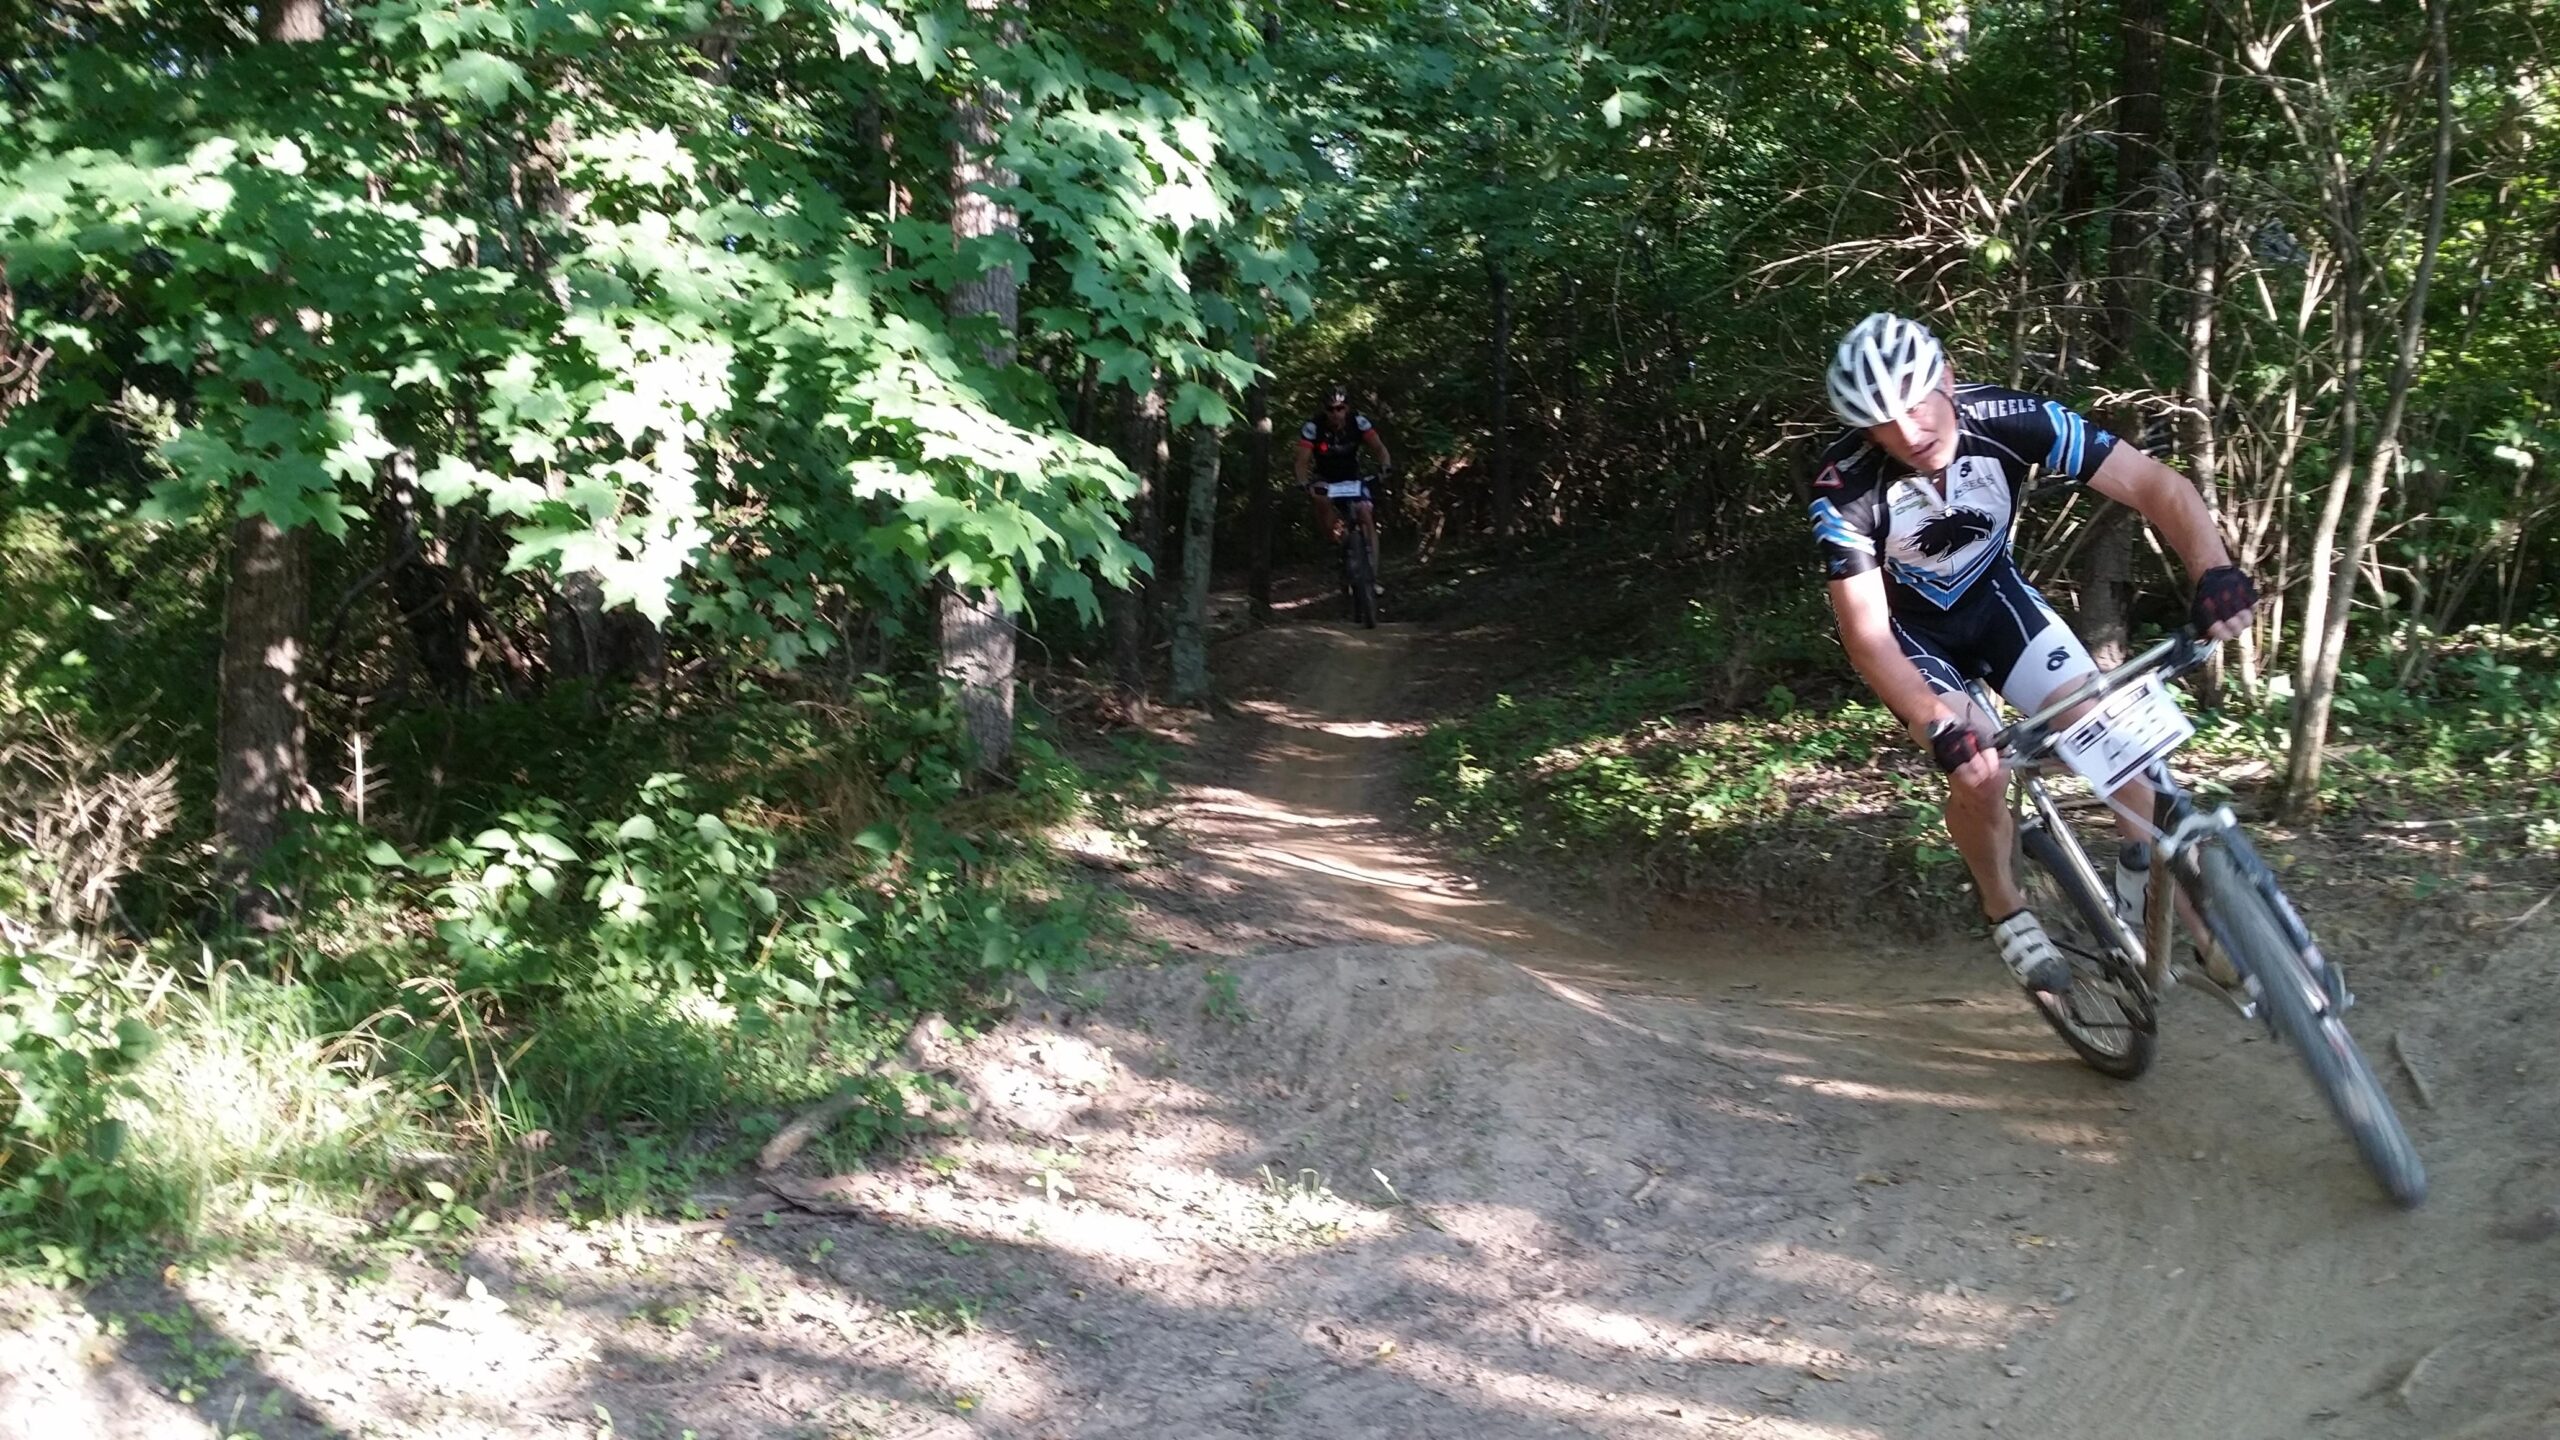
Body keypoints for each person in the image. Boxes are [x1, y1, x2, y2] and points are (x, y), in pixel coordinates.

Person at [1811, 312, 2257, 994]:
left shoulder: (2015, 418)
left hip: (1997, 604)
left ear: (1948, 378)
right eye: (1881, 422)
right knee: (1981, 771)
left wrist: (2214, 571)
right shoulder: (1845, 487)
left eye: (1915, 403)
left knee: (2104, 727)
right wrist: (1937, 725)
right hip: (1913, 639)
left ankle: (2188, 917)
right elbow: (1867, 636)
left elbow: (2156, 487)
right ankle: (2004, 907)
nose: (1907, 433)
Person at [1296, 384, 1391, 581]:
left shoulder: (1359, 423)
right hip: (1325, 478)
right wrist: (1303, 482)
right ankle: (1338, 542)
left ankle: (1372, 575)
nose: (1335, 413)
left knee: (1365, 513)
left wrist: (1385, 467)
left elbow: (1379, 448)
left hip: (1352, 477)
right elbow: (1301, 460)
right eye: (1330, 409)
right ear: (1324, 410)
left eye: (1340, 408)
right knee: (1320, 499)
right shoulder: (1313, 428)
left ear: (1347, 408)